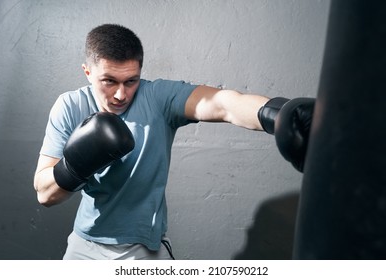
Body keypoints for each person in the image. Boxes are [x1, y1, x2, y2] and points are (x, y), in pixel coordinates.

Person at [33, 24, 314, 260]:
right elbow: (45, 194)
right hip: (85, 248)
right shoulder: (70, 106)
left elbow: (224, 104)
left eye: (131, 81)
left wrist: (278, 115)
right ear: (87, 72)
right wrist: (76, 164)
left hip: (143, 250)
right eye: (109, 81)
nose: (121, 94)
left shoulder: (158, 97)